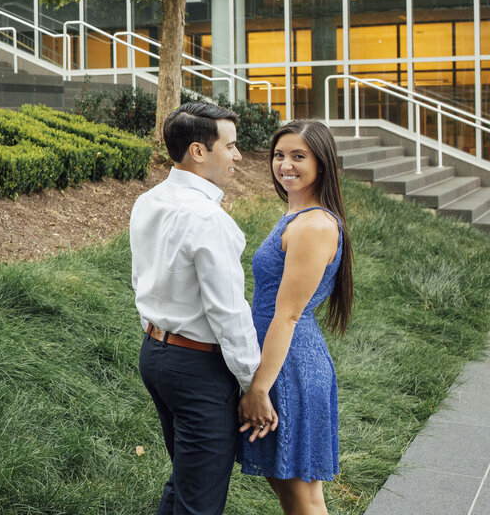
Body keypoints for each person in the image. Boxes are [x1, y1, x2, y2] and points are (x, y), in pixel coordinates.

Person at [131, 101, 278, 515]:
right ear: (199, 151)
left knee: (186, 482)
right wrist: (253, 385)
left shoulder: (148, 201)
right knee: (200, 501)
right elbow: (228, 313)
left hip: (156, 355)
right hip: (197, 369)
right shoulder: (207, 219)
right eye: (230, 147)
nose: (237, 156)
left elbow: (140, 280)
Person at [237, 120, 354, 515]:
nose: (285, 164)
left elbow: (286, 316)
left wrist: (258, 389)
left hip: (288, 368)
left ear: (322, 162)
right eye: (279, 155)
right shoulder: (298, 215)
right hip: (282, 362)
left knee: (302, 499)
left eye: (298, 156)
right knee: (296, 498)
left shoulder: (314, 225)